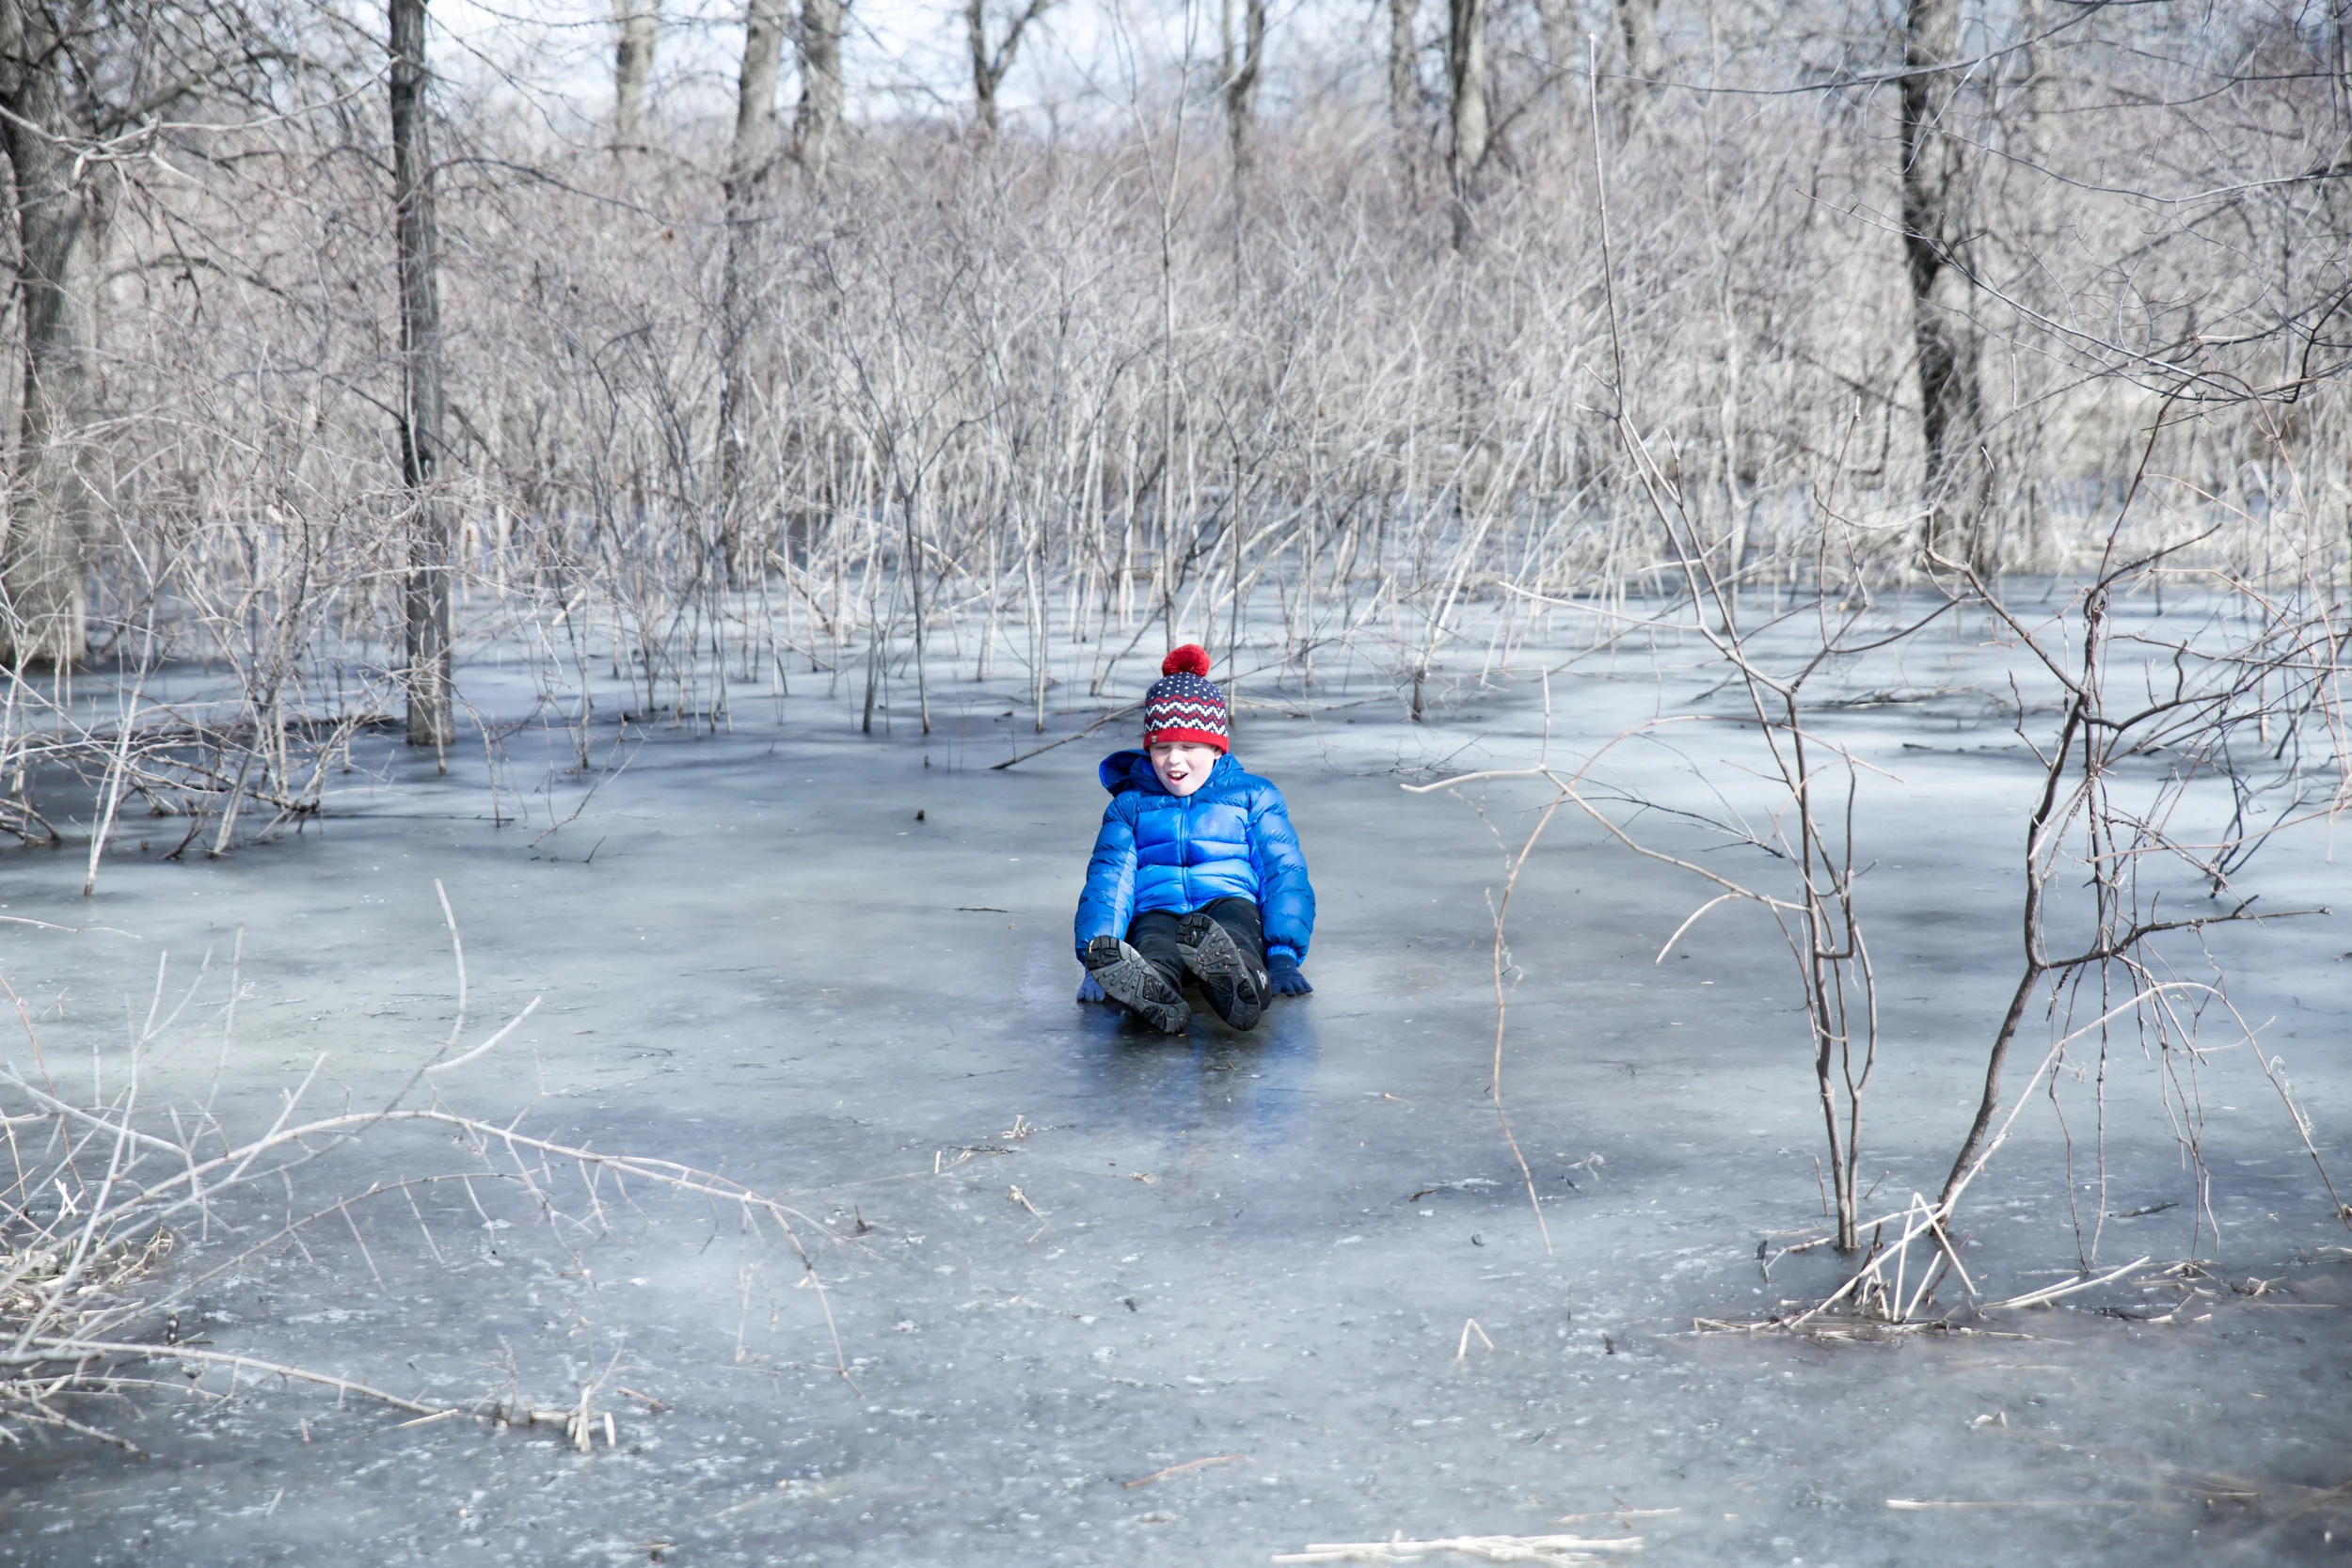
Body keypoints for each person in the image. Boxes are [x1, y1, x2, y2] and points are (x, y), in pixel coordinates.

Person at [1073, 645, 1315, 1032]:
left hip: (1229, 902)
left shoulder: (1253, 797)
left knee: (1235, 936)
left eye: (1188, 746)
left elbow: (1282, 874)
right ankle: (1152, 997)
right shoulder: (1130, 807)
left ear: (1216, 749)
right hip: (1158, 910)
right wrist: (1094, 959)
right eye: (1162, 747)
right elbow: (1108, 885)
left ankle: (1244, 985)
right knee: (1153, 948)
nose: (1174, 760)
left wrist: (1283, 951)